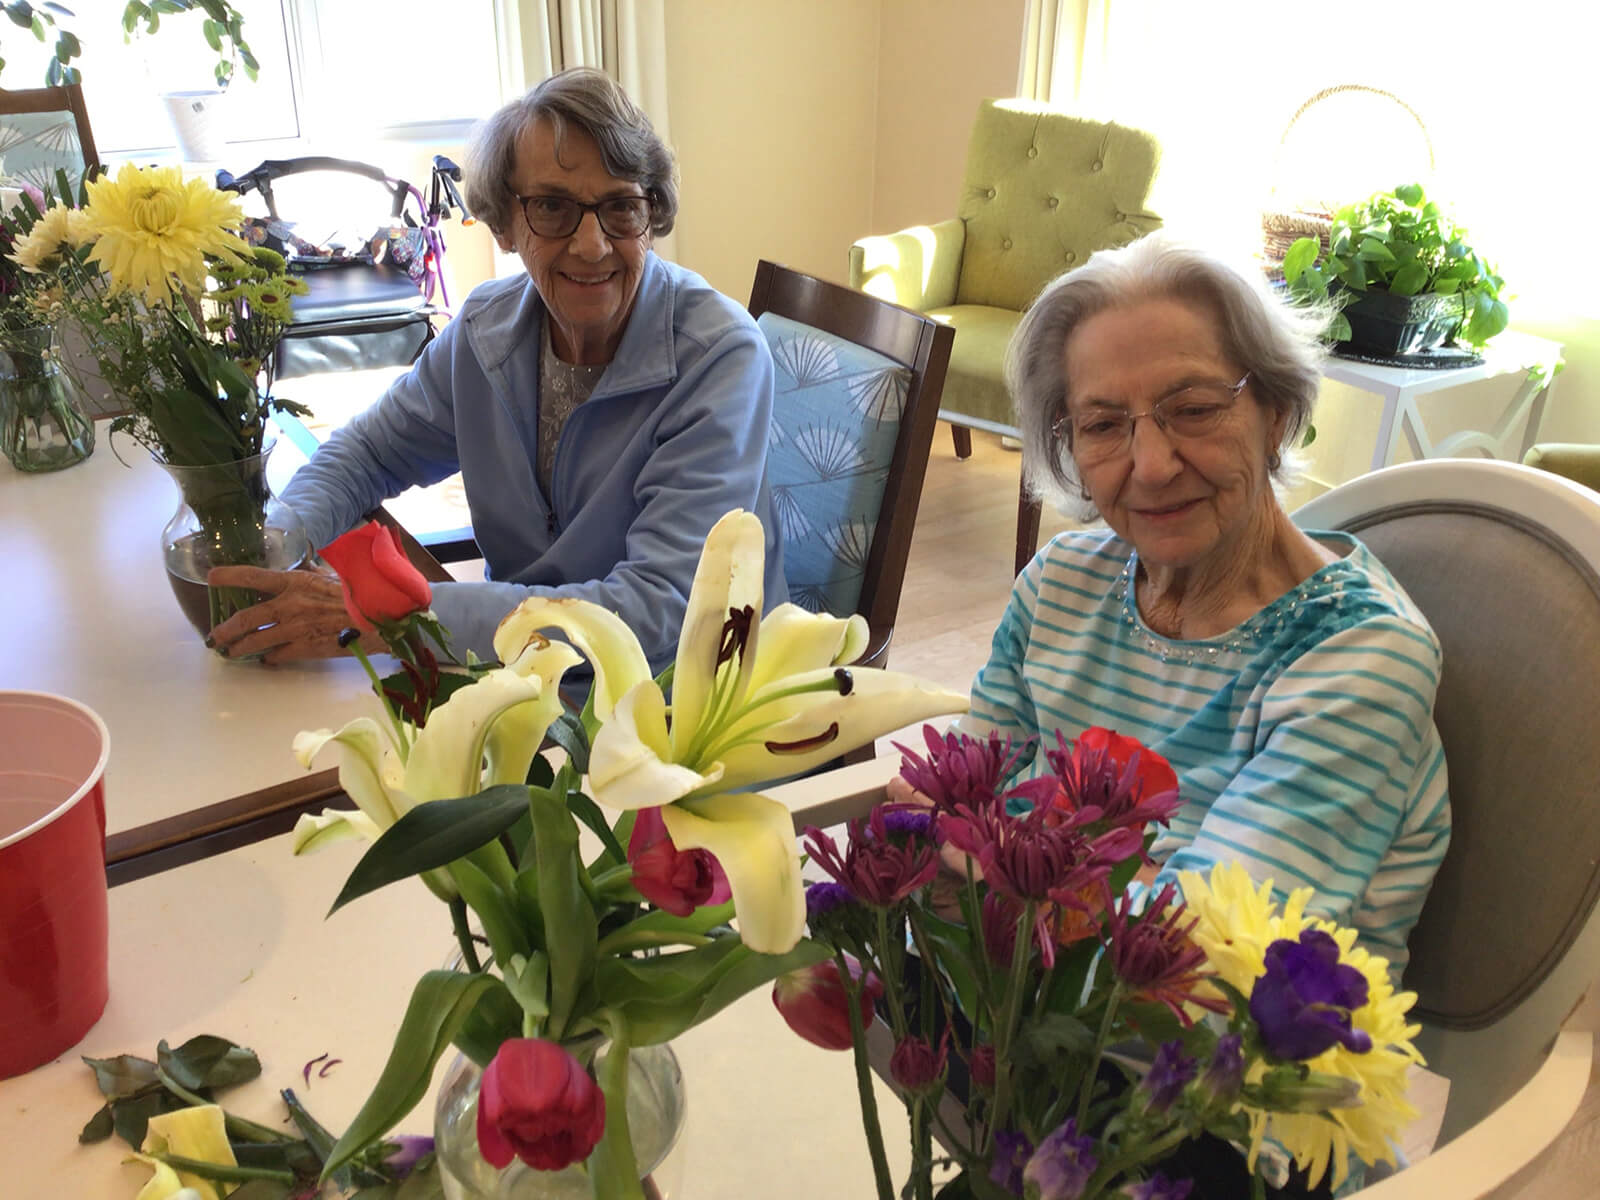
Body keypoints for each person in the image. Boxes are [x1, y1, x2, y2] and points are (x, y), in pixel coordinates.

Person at [894, 232, 1451, 1197]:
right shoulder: (1066, 580)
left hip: (1223, 1122)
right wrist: (992, 867)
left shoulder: (1360, 658)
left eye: (1193, 409)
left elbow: (1193, 974)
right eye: (1103, 425)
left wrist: (984, 865)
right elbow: (952, 790)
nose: (1150, 465)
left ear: (1276, 411)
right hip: (1015, 1049)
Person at [208, 68, 785, 666]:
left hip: (675, 701)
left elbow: (656, 610)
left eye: (621, 207)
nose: (592, 245)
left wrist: (402, 619)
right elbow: (369, 453)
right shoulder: (487, 332)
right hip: (522, 675)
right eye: (553, 208)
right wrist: (277, 546)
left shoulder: (718, 357)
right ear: (505, 223)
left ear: (652, 214)